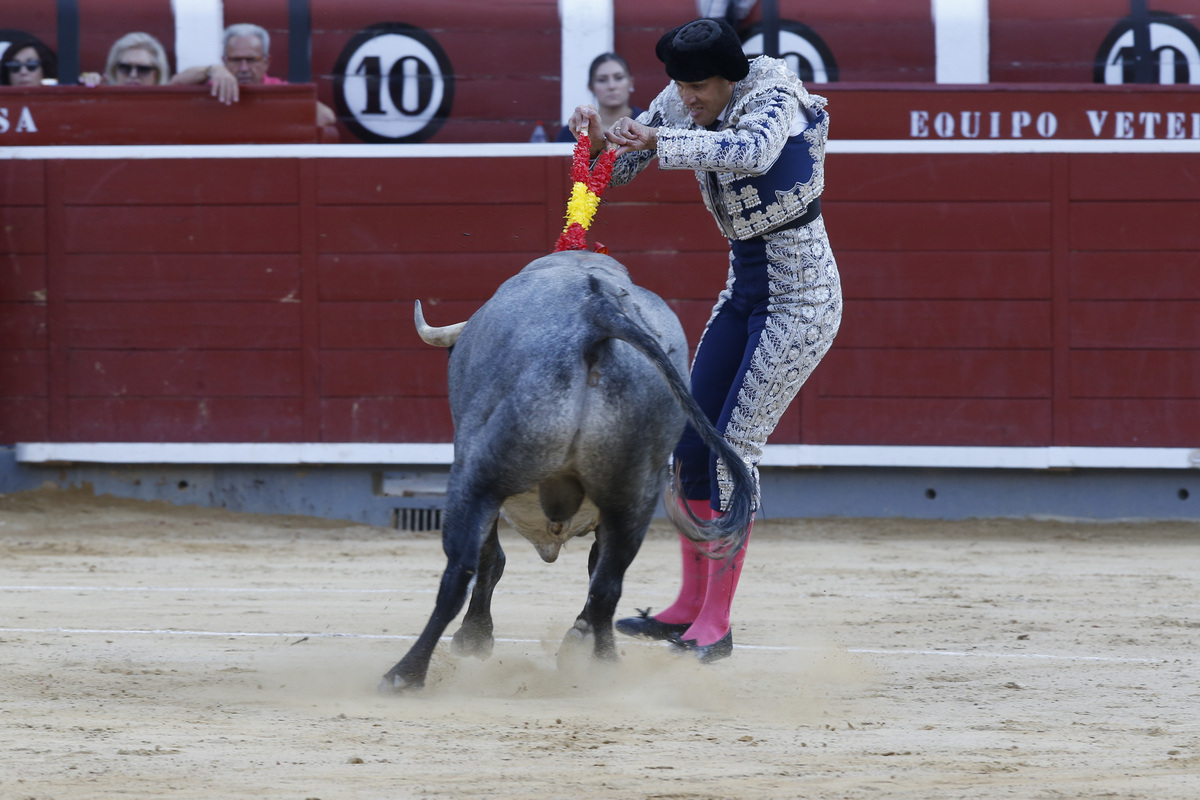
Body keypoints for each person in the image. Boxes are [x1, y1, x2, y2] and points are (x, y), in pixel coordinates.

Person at [566, 18, 842, 663]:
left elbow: (751, 153)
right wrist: (594, 138)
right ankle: (688, 606)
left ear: (728, 78)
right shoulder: (680, 101)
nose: (685, 98)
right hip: (744, 290)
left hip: (801, 303)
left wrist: (661, 136)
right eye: (679, 87)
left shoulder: (775, 92)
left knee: (731, 451)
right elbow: (626, 165)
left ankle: (715, 622)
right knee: (690, 445)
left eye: (696, 88)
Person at [171, 23, 335, 127]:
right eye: (235, 60)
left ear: (266, 61)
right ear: (224, 61)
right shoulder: (214, 84)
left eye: (251, 60)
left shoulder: (276, 89)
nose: (243, 68)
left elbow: (326, 117)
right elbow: (174, 84)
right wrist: (212, 70)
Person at [555, 52, 643, 143]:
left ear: (631, 83)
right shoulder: (573, 132)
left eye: (619, 78)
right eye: (602, 80)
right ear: (591, 87)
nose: (611, 86)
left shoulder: (649, 123)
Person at [79, 32, 171, 87]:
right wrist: (92, 89)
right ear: (114, 71)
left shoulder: (170, 107)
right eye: (125, 68)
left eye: (143, 69)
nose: (133, 75)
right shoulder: (104, 103)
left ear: (157, 74)